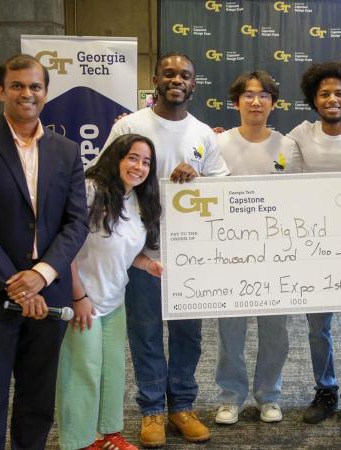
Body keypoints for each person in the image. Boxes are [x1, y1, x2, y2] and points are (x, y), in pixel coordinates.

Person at [0, 53, 88, 449]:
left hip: (50, 296)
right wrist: (17, 287)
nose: (26, 93)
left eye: (35, 86)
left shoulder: (66, 150)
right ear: (1, 91)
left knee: (38, 402)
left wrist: (41, 275)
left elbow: (76, 223)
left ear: (46, 92)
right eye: (17, 86)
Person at [103, 52, 229, 447]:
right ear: (156, 79)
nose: (177, 79)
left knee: (188, 335)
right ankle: (152, 409)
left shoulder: (204, 133)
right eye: (170, 73)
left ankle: (182, 407)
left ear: (194, 84)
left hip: (192, 256)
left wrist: (200, 178)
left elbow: (223, 189)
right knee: (145, 333)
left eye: (185, 75)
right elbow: (106, 176)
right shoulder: (129, 125)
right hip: (142, 255)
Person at [56, 134, 162, 450]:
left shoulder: (137, 199)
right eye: (133, 157)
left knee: (112, 371)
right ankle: (79, 441)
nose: (139, 166)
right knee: (82, 373)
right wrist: (78, 297)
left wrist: (147, 265)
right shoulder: (90, 190)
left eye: (146, 162)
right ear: (115, 157)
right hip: (82, 300)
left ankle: (108, 434)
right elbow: (66, 250)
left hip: (115, 299)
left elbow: (125, 252)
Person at [287, 61, 341, 429]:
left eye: (339, 92)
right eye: (324, 93)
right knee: (317, 328)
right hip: (315, 251)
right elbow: (272, 166)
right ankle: (325, 390)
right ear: (314, 98)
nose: (332, 99)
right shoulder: (299, 136)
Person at [213, 70, 301, 425]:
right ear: (236, 102)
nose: (255, 101)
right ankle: (230, 397)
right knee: (230, 330)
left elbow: (300, 200)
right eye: (248, 95)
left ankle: (270, 395)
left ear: (273, 103)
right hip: (229, 253)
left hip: (276, 254)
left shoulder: (288, 147)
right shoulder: (217, 144)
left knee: (275, 331)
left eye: (264, 95)